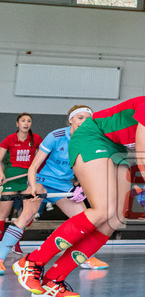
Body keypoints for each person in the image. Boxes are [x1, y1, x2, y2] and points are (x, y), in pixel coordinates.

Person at [13, 71, 145, 297]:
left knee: (115, 218)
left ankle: (54, 279)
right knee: (103, 209)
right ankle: (32, 261)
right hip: (92, 136)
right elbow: (144, 162)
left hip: (116, 147)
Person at [1, 106, 110, 274]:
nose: (84, 122)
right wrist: (33, 187)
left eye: (88, 119)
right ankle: (0, 258)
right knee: (27, 215)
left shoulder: (90, 141)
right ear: (71, 119)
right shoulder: (56, 136)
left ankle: (86, 258)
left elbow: (87, 170)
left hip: (64, 185)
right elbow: (33, 167)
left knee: (86, 219)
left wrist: (81, 187)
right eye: (80, 118)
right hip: (41, 180)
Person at [0, 113, 42, 274]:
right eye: (23, 120)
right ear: (17, 124)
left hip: (28, 178)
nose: (26, 123)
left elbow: (44, 155)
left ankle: (14, 242)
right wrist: (1, 174)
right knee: (3, 213)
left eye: (29, 121)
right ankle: (1, 243)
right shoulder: (9, 139)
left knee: (28, 213)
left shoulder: (36, 138)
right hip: (11, 177)